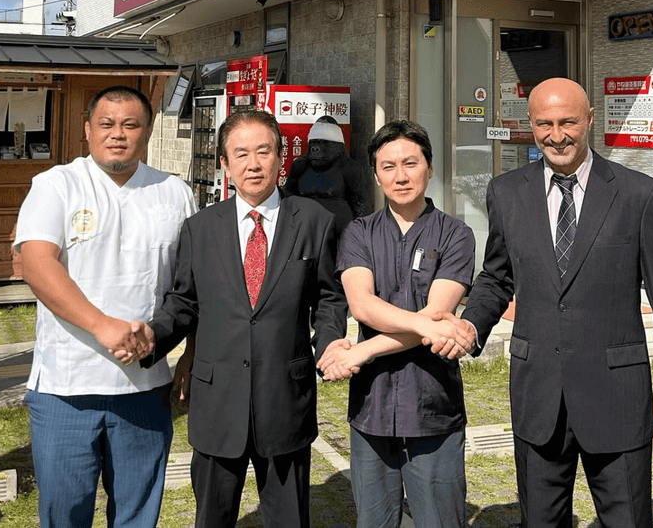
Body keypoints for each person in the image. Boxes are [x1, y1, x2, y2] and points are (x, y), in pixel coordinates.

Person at [432, 78, 653, 528]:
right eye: (544, 124)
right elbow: (497, 277)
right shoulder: (506, 192)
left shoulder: (639, 195)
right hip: (538, 400)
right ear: (530, 126)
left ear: (590, 120)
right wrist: (471, 325)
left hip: (616, 402)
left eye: (567, 122)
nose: (556, 135)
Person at [140, 109, 349, 528]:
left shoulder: (314, 221)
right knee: (212, 518)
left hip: (285, 399)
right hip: (217, 401)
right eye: (241, 154)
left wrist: (329, 343)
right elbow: (183, 302)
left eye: (263, 151)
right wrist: (150, 337)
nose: (253, 164)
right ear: (225, 164)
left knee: (288, 518)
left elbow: (330, 297)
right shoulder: (200, 228)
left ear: (280, 157)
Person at [14, 85, 196, 528]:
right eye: (107, 124)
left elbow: (191, 286)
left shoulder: (175, 192)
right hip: (66, 386)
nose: (118, 134)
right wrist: (102, 326)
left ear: (148, 132)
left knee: (137, 513)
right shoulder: (56, 184)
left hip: (145, 386)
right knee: (65, 514)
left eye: (130, 125)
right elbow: (37, 264)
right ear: (87, 129)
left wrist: (191, 355)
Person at [319, 120, 476, 528]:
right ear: (375, 174)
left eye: (410, 163)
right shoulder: (359, 232)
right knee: (374, 522)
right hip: (372, 405)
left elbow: (437, 314)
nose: (400, 176)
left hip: (432, 405)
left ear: (429, 168)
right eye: (388, 166)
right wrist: (427, 327)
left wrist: (363, 350)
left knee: (439, 521)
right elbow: (364, 306)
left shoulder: (456, 234)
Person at [283, 115, 368, 236]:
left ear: (335, 146)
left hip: (338, 233)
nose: (315, 149)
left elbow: (359, 205)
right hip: (304, 231)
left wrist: (361, 235)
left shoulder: (349, 167)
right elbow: (287, 198)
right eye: (313, 143)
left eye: (322, 143)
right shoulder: (300, 166)